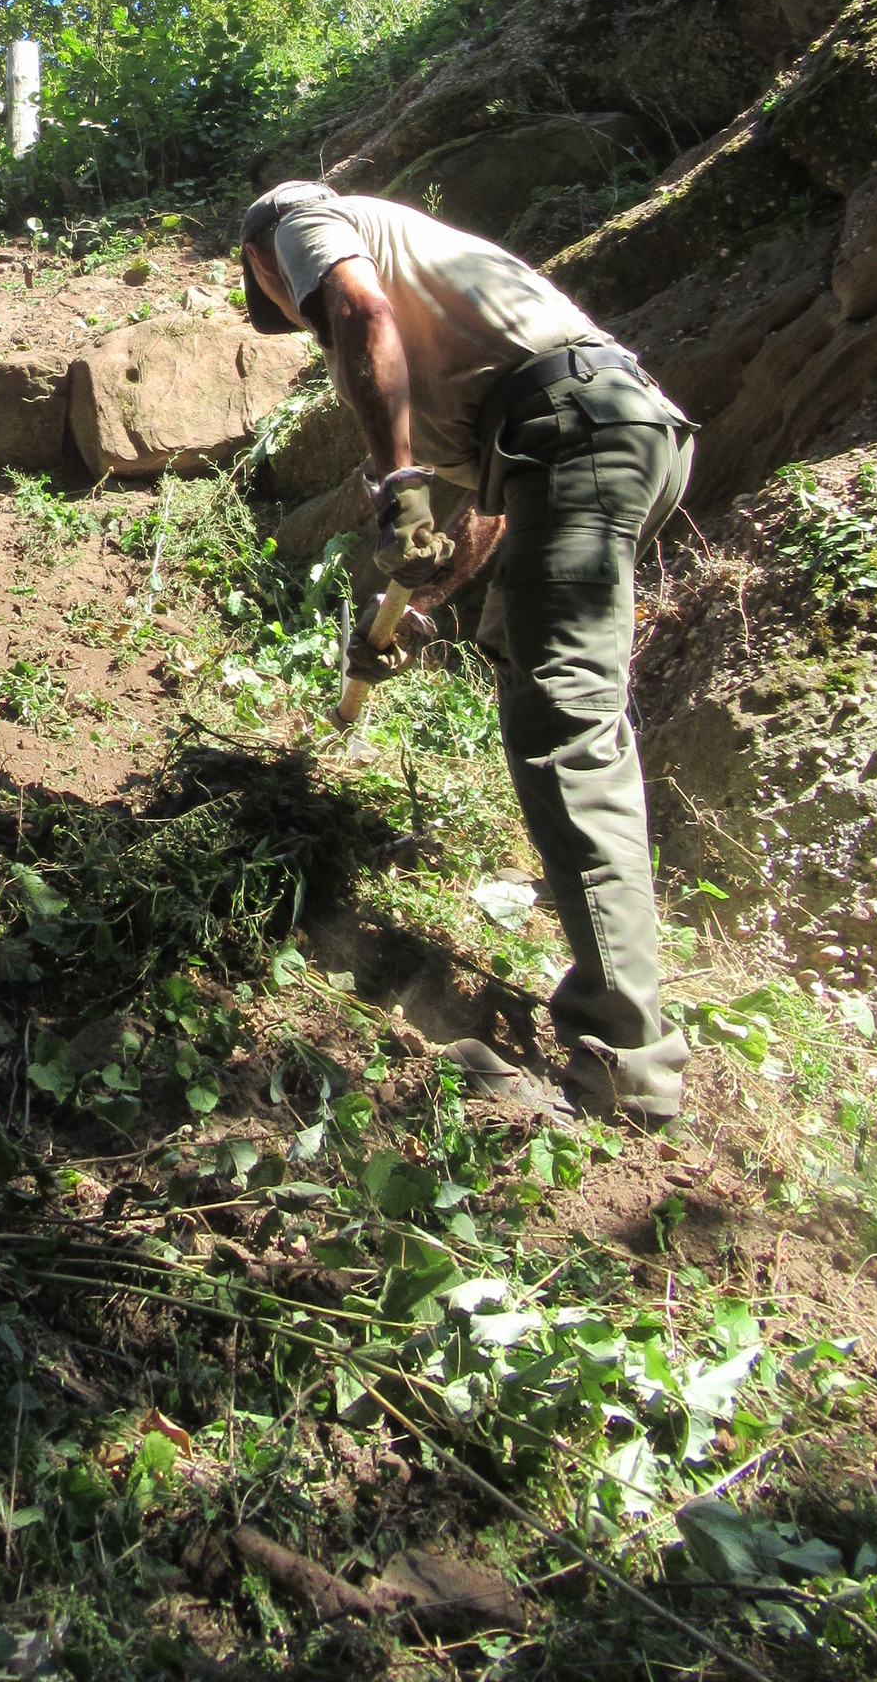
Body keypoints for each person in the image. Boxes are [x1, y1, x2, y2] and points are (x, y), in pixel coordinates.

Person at [239, 179, 695, 1126]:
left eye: (289, 303)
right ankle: (608, 963)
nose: (305, 318)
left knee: (562, 715)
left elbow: (359, 311)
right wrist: (418, 607)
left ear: (264, 266)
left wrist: (395, 483)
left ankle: (627, 1064)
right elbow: (487, 505)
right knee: (530, 663)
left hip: (576, 427)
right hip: (597, 432)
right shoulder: (451, 318)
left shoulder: (294, 217)